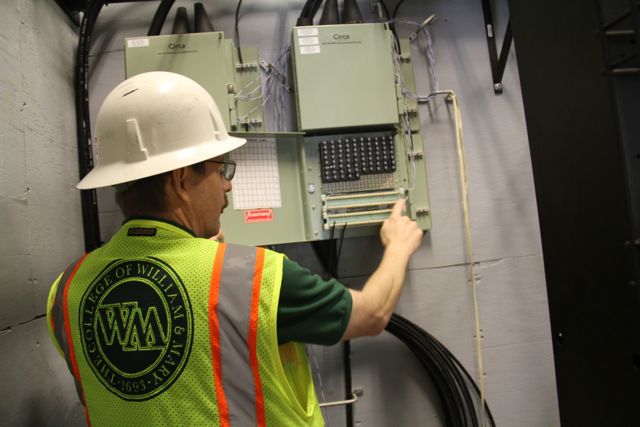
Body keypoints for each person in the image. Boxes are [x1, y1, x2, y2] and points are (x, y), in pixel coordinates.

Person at [46, 71, 423, 426]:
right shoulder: (252, 277)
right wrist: (398, 246)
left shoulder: (66, 292)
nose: (227, 186)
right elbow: (372, 314)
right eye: (221, 169)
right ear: (181, 181)